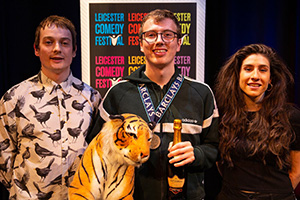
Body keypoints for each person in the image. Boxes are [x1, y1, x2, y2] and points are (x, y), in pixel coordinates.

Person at [86, 9, 219, 199]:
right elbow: (96, 150)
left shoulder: (202, 93)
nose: (159, 41)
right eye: (151, 35)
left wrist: (196, 154)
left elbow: (215, 148)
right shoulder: (119, 93)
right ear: (141, 44)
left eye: (168, 35)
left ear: (179, 43)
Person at [0, 15, 101, 199]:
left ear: (74, 50)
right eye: (49, 42)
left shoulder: (92, 98)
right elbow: (4, 156)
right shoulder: (14, 98)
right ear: (36, 49)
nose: (57, 49)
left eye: (64, 43)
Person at [214, 43, 300, 200]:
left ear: (271, 79)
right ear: (237, 75)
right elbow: (219, 164)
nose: (255, 76)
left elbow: (296, 172)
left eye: (262, 70)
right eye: (248, 69)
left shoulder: (291, 117)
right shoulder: (222, 116)